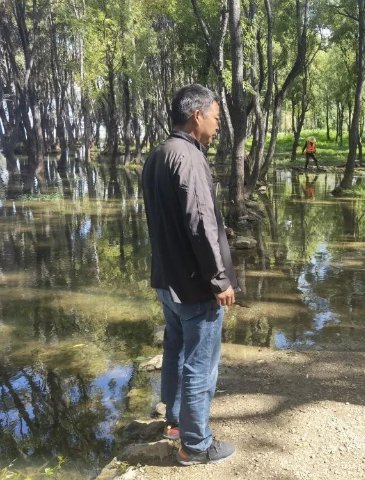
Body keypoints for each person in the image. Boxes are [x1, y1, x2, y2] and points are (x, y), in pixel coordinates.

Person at [141, 84, 238, 466]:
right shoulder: (189, 158)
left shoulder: (158, 155)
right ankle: (196, 446)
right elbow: (201, 223)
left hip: (167, 279)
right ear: (197, 115)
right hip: (195, 285)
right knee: (200, 363)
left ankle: (175, 423)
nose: (217, 125)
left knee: (175, 351)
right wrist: (220, 280)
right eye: (215, 117)